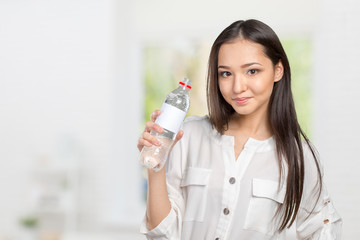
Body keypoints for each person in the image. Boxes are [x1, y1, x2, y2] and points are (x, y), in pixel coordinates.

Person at [137, 19, 342, 239]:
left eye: (252, 71)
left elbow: (323, 230)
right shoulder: (188, 136)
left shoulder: (299, 157)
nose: (237, 87)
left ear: (278, 70)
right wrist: (156, 163)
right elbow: (161, 234)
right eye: (226, 73)